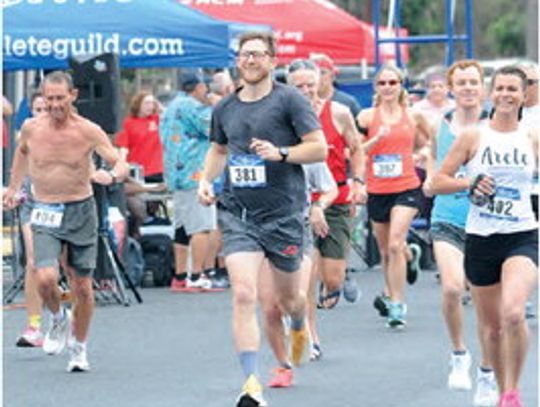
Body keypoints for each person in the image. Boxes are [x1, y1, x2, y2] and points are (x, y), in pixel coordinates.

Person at [197, 31, 327, 407]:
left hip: (284, 214)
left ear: (272, 60)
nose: (249, 61)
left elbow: (318, 147)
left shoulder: (290, 100)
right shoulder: (225, 108)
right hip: (239, 213)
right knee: (243, 293)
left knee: (291, 300)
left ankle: (300, 324)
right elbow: (219, 149)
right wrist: (206, 180)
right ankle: (252, 382)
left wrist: (281, 153)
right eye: (243, 55)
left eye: (256, 54)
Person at [3, 71, 129, 372]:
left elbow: (119, 161)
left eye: (61, 98)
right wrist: (13, 187)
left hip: (80, 210)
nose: (55, 104)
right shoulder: (32, 128)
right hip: (45, 208)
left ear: (73, 95)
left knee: (83, 287)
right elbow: (21, 155)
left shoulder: (88, 130)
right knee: (44, 276)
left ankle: (79, 347)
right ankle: (58, 318)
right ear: (43, 98)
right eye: (49, 99)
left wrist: (110, 175)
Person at [431, 66, 538, 407]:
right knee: (491, 329)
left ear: (524, 96)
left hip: (521, 234)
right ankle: (491, 377)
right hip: (481, 236)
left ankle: (511, 391)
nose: (506, 95)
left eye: (513, 90)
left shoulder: (532, 137)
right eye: (501, 88)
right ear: (491, 93)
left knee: (513, 314)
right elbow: (436, 182)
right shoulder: (473, 137)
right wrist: (470, 183)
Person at [423, 60, 497, 406]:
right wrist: (433, 180)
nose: (468, 88)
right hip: (448, 216)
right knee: (452, 287)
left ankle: (486, 371)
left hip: (490, 222)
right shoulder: (440, 125)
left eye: (473, 82)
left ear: (483, 88)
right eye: (462, 82)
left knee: (487, 307)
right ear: (451, 88)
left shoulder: (498, 126)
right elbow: (434, 177)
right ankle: (458, 353)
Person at [287, 59, 366, 313]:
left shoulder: (338, 112)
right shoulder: (281, 116)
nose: (306, 91)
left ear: (319, 82)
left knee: (332, 279)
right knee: (305, 275)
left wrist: (358, 181)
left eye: (310, 84)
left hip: (334, 197)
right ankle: (308, 329)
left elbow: (356, 150)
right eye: (298, 86)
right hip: (296, 202)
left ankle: (337, 277)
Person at [357, 64, 430, 329]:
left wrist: (421, 156)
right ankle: (411, 255)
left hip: (406, 186)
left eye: (392, 83)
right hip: (378, 189)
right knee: (388, 250)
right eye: (382, 83)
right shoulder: (366, 117)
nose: (387, 87)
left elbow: (426, 144)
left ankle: (396, 304)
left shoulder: (413, 117)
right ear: (376, 88)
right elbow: (354, 151)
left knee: (395, 242)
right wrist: (375, 140)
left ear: (401, 86)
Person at [258, 162, 337, 388]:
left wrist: (318, 206)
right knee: (271, 308)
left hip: (296, 230)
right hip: (259, 231)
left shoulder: (306, 152)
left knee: (295, 298)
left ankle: (299, 324)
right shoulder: (249, 150)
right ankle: (284, 366)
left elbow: (330, 188)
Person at [160, 69, 219, 292]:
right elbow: (214, 127)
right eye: (205, 86)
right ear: (198, 87)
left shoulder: (172, 106)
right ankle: (197, 275)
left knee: (183, 228)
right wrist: (218, 104)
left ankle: (180, 275)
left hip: (177, 174)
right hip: (194, 174)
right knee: (202, 228)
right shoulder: (192, 107)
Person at [13, 92, 48, 347]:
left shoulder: (74, 134)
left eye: (45, 108)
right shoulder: (26, 135)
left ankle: (62, 316)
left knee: (65, 269)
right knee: (34, 262)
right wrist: (12, 191)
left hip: (65, 203)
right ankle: (34, 325)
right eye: (37, 109)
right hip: (33, 204)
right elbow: (18, 171)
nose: (42, 113)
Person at [115, 91, 163, 182]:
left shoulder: (157, 120)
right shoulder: (128, 123)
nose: (150, 106)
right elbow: (123, 147)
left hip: (158, 170)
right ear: (138, 105)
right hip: (139, 171)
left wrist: (159, 107)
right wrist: (122, 165)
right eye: (147, 103)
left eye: (152, 103)